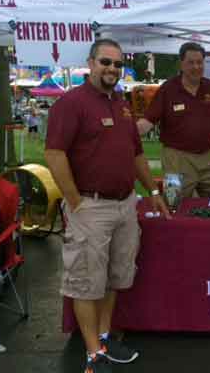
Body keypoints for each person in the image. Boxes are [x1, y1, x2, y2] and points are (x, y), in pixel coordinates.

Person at [45, 38, 169, 373]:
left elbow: (137, 153)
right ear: (90, 63)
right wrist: (75, 203)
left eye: (117, 64)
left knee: (114, 277)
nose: (112, 69)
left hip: (125, 204)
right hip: (90, 206)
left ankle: (103, 337)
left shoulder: (122, 105)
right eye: (105, 62)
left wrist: (152, 190)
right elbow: (54, 155)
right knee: (86, 282)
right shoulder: (71, 104)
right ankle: (92, 354)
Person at [137, 42, 210, 198]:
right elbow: (147, 123)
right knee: (173, 203)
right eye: (191, 62)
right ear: (181, 64)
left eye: (199, 62)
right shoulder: (168, 89)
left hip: (208, 158)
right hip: (176, 159)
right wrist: (126, 131)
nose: (196, 67)